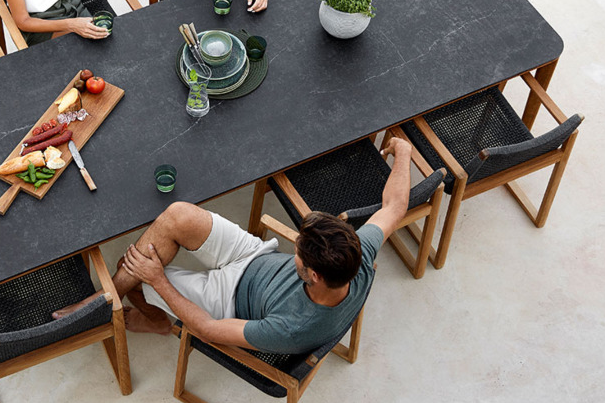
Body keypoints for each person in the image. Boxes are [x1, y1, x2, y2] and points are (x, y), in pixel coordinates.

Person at [55, 138, 413, 354]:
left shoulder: (293, 328)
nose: (296, 253)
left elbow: (210, 330)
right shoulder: (355, 255)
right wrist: (404, 151)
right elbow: (394, 206)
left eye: (299, 256)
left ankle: (152, 319)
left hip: (226, 302)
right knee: (178, 214)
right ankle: (102, 299)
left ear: (314, 275)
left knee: (132, 265)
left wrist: (159, 281)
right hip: (252, 256)